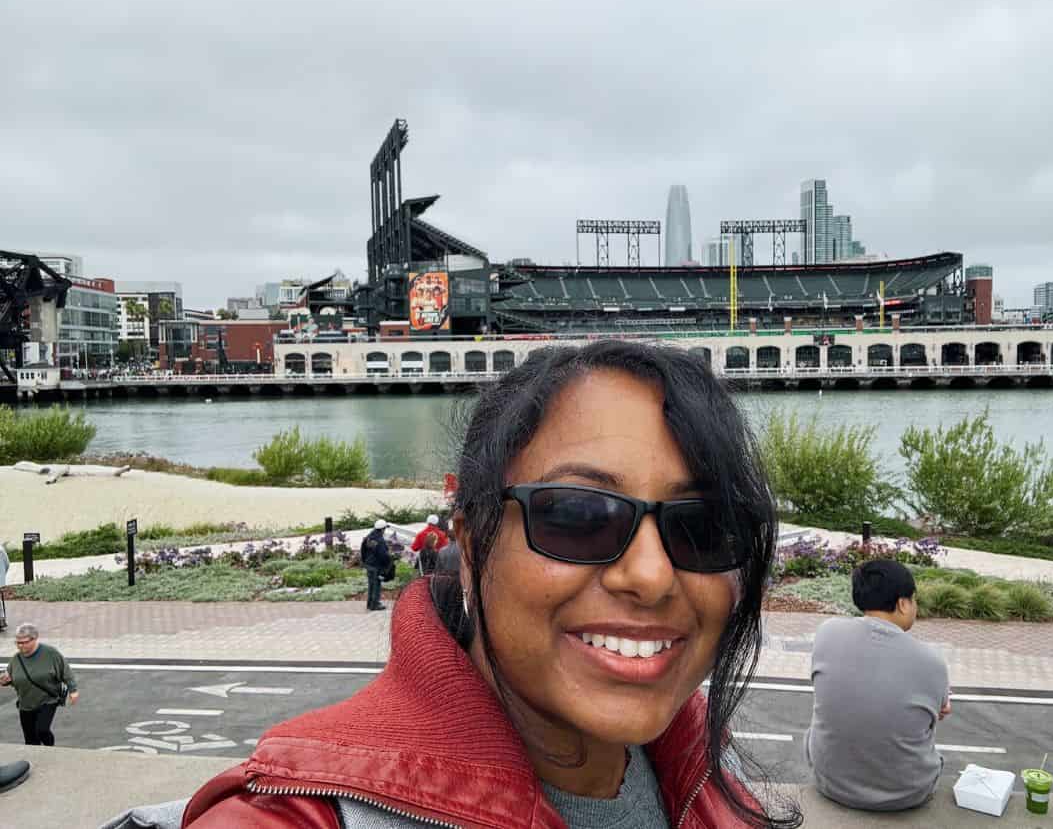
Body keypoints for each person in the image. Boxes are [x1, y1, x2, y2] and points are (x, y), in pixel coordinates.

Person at [166, 340, 798, 827]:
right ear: (470, 545)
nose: (652, 576)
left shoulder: (707, 768)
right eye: (578, 516)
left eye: (706, 527)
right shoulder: (294, 810)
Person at [805, 559, 951, 811]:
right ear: (903, 603)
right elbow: (936, 714)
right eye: (914, 600)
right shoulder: (932, 661)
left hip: (830, 783)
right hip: (907, 793)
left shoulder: (827, 634)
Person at [1, 623, 79, 746]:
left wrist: (73, 690)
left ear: (35, 638)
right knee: (30, 739)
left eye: (24, 642)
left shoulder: (50, 653)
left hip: (47, 700)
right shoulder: (16, 658)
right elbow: (11, 677)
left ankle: (50, 749)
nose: (20, 646)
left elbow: (65, 671)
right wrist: (5, 681)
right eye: (17, 642)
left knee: (42, 730)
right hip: (25, 704)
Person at [359, 520, 393, 612]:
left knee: (371, 585)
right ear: (382, 529)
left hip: (369, 564)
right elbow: (383, 555)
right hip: (376, 565)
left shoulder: (368, 537)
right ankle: (375, 604)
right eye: (385, 528)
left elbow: (362, 550)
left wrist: (364, 561)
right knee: (376, 585)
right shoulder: (379, 540)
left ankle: (370, 604)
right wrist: (388, 562)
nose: (385, 530)